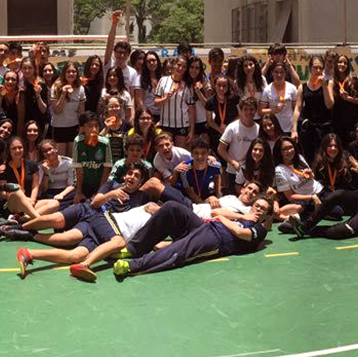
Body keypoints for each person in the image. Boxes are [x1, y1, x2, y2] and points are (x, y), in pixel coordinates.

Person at [12, 163, 156, 281]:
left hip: (104, 229)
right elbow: (95, 203)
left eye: (136, 176)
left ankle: (28, 249)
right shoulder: (112, 185)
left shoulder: (141, 197)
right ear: (124, 176)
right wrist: (111, 194)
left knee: (71, 248)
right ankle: (18, 227)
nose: (132, 177)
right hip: (93, 212)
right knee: (56, 220)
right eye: (130, 173)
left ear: (140, 182)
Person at [112, 197, 273, 278]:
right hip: (204, 226)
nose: (258, 209)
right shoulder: (242, 216)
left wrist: (223, 220)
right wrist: (242, 217)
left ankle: (132, 266)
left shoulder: (260, 229)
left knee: (180, 249)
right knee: (172, 208)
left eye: (263, 209)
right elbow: (215, 212)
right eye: (257, 205)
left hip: (217, 240)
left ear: (266, 215)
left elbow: (241, 233)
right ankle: (133, 249)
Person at [292, 55, 334, 163]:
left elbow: (329, 105)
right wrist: (294, 129)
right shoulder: (303, 87)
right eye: (315, 67)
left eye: (320, 68)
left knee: (324, 158)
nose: (318, 70)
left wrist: (324, 86)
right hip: (309, 129)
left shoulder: (328, 83)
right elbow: (298, 108)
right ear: (310, 68)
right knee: (308, 158)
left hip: (324, 128)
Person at [218, 97, 260, 194]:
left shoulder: (258, 129)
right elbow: (221, 149)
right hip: (234, 170)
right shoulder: (232, 127)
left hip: (251, 171)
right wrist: (233, 163)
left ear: (255, 111)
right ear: (240, 111)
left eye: (251, 109)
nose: (248, 112)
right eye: (245, 109)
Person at [273, 136, 320, 218]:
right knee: (300, 208)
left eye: (291, 147)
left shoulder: (300, 158)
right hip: (303, 198)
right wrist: (311, 197)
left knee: (337, 211)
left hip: (317, 191)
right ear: (279, 152)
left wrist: (311, 175)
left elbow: (312, 177)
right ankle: (278, 215)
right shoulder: (279, 170)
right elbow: (290, 196)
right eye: (285, 149)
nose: (289, 151)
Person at [155, 55, 196, 147]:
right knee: (166, 150)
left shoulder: (188, 85)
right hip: (166, 124)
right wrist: (165, 98)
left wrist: (192, 130)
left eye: (184, 67)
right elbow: (156, 102)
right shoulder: (163, 80)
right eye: (179, 65)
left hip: (182, 124)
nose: (180, 68)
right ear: (174, 65)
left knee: (180, 152)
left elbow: (191, 109)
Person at [72, 111, 112, 202]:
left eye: (96, 126)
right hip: (84, 185)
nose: (94, 129)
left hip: (101, 184)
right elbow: (79, 170)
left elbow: (106, 169)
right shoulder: (78, 142)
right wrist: (78, 192)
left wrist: (100, 192)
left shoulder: (105, 142)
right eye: (90, 126)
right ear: (83, 128)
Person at [103, 10, 142, 103]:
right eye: (119, 52)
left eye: (124, 53)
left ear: (128, 55)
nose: (121, 55)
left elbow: (132, 96)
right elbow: (110, 44)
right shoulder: (108, 65)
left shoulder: (132, 72)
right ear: (114, 52)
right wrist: (114, 23)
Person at [50, 62, 86, 157]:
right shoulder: (55, 87)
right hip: (59, 127)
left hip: (74, 127)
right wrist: (63, 94)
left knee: (72, 158)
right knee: (61, 158)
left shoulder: (80, 88)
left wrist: (81, 128)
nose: (71, 74)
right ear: (64, 73)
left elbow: (81, 112)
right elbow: (57, 111)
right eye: (68, 72)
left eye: (74, 72)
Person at [330, 54, 358, 145]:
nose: (342, 64)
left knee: (352, 147)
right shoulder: (332, 82)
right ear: (335, 64)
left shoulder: (354, 80)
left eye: (345, 63)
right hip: (337, 122)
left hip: (352, 121)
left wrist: (348, 98)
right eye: (340, 62)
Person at [36, 139, 76, 212]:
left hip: (66, 191)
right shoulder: (40, 166)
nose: (48, 152)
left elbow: (71, 185)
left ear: (56, 149)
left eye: (50, 149)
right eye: (45, 151)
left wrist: (61, 195)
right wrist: (45, 173)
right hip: (50, 192)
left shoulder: (68, 163)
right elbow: (44, 189)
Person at [178, 137, 222, 204]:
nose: (200, 157)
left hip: (207, 195)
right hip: (189, 200)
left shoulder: (215, 165)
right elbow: (190, 192)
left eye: (203, 153)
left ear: (208, 153)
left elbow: (217, 177)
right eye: (196, 153)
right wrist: (203, 204)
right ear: (191, 154)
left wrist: (218, 195)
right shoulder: (185, 169)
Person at [261, 62, 298, 137]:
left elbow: (296, 110)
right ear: (272, 73)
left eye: (281, 72)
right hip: (273, 129)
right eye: (276, 72)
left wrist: (294, 128)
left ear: (285, 73)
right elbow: (260, 111)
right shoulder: (267, 90)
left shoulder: (292, 88)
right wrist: (273, 110)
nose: (279, 75)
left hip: (289, 128)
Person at [205, 74, 239, 152]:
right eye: (219, 85)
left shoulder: (235, 98)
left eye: (224, 86)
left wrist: (228, 128)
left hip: (233, 130)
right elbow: (209, 121)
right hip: (217, 132)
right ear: (214, 85)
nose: (221, 88)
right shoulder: (210, 101)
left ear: (228, 87)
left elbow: (240, 115)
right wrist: (220, 130)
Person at [17, 57, 48, 138]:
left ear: (34, 69)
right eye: (24, 68)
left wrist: (38, 95)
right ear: (21, 69)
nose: (27, 70)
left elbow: (43, 109)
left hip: (38, 123)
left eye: (30, 68)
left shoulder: (40, 84)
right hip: (24, 122)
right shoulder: (20, 83)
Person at [100, 95, 131, 163]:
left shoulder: (126, 125)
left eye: (116, 106)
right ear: (106, 107)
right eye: (111, 106)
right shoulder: (100, 122)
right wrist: (106, 128)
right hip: (103, 161)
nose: (114, 109)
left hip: (121, 162)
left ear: (121, 107)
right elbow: (95, 141)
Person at [186, 56, 211, 141]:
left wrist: (198, 91)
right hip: (187, 122)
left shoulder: (204, 80)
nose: (194, 70)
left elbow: (207, 105)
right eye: (192, 67)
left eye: (197, 68)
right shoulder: (184, 82)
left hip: (203, 121)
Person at [140, 51, 163, 121]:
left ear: (157, 61)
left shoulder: (163, 78)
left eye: (153, 60)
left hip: (163, 115)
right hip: (148, 116)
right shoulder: (141, 79)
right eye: (148, 61)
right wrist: (145, 115)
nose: (151, 63)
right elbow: (140, 100)